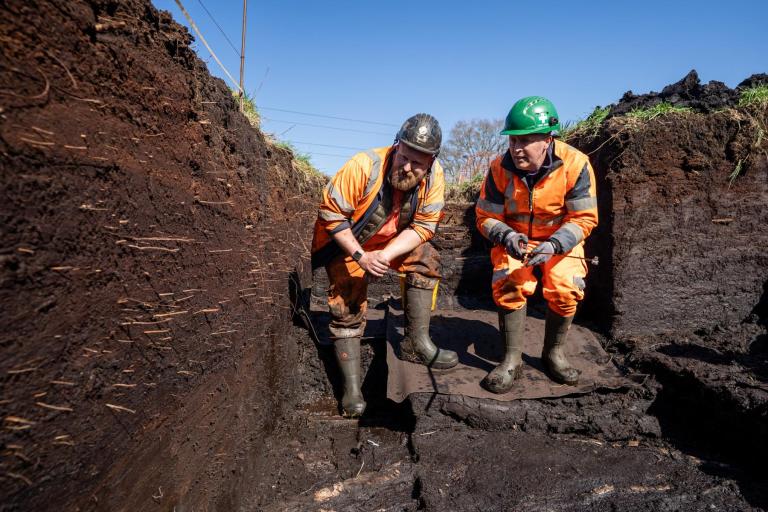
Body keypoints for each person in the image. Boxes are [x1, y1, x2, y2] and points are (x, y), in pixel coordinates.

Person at [311, 113, 458, 417]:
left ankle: (417, 344)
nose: (407, 167)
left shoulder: (435, 177)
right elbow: (332, 214)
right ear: (396, 147)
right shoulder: (364, 165)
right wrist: (361, 256)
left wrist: (386, 255)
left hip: (387, 243)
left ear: (430, 162)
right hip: (347, 242)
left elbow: (424, 227)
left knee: (425, 257)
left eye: (417, 164)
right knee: (347, 299)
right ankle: (351, 389)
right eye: (403, 157)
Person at [475, 96, 598, 393]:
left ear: (547, 138)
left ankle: (553, 354)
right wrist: (508, 237)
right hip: (516, 240)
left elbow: (584, 218)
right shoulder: (498, 169)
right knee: (508, 284)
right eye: (512, 140)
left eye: (525, 140)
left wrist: (555, 244)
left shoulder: (576, 165)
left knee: (566, 287)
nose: (516, 149)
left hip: (560, 241)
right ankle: (512, 359)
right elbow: (485, 217)